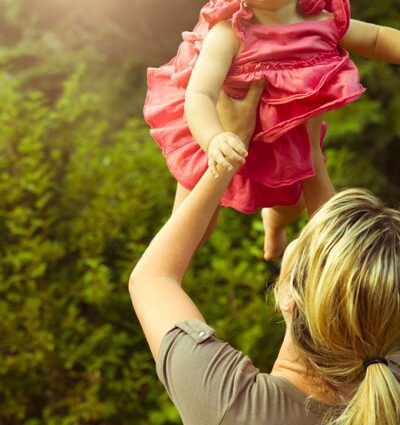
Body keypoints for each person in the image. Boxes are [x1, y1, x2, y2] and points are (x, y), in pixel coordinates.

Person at [131, 83, 400, 424]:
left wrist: (221, 146)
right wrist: (309, 154)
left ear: (288, 296)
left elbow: (152, 278)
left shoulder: (231, 406)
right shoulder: (388, 386)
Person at [143, 0, 400, 260]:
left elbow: (376, 39)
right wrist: (213, 139)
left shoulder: (320, 24)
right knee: (194, 227)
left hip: (282, 141)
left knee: (292, 205)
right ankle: (164, 265)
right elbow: (199, 95)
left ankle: (274, 226)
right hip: (218, 135)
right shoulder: (229, 32)